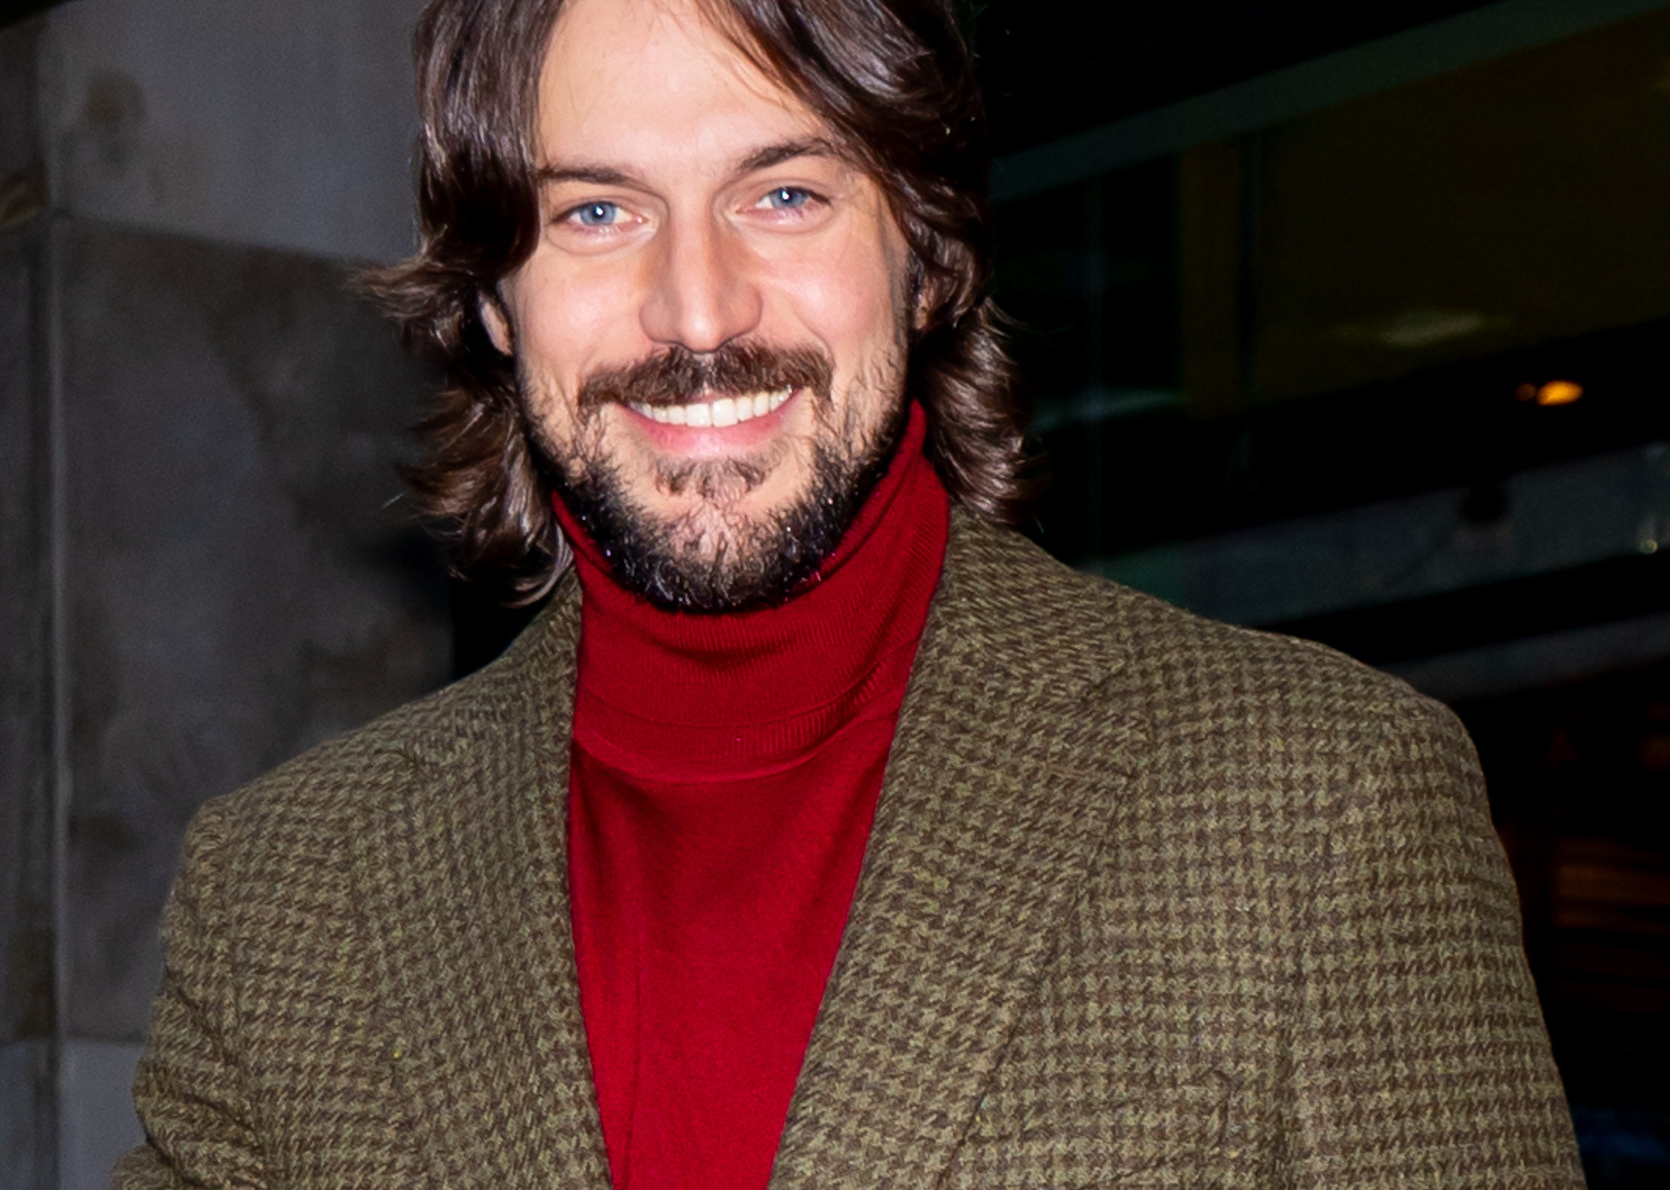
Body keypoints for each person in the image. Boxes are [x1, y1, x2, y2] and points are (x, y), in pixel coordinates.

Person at [116, 0, 1586, 1185]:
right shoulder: (284, 903)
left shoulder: (1316, 806)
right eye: (597, 214)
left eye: (788, 190)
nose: (700, 312)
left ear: (929, 251)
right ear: (496, 298)